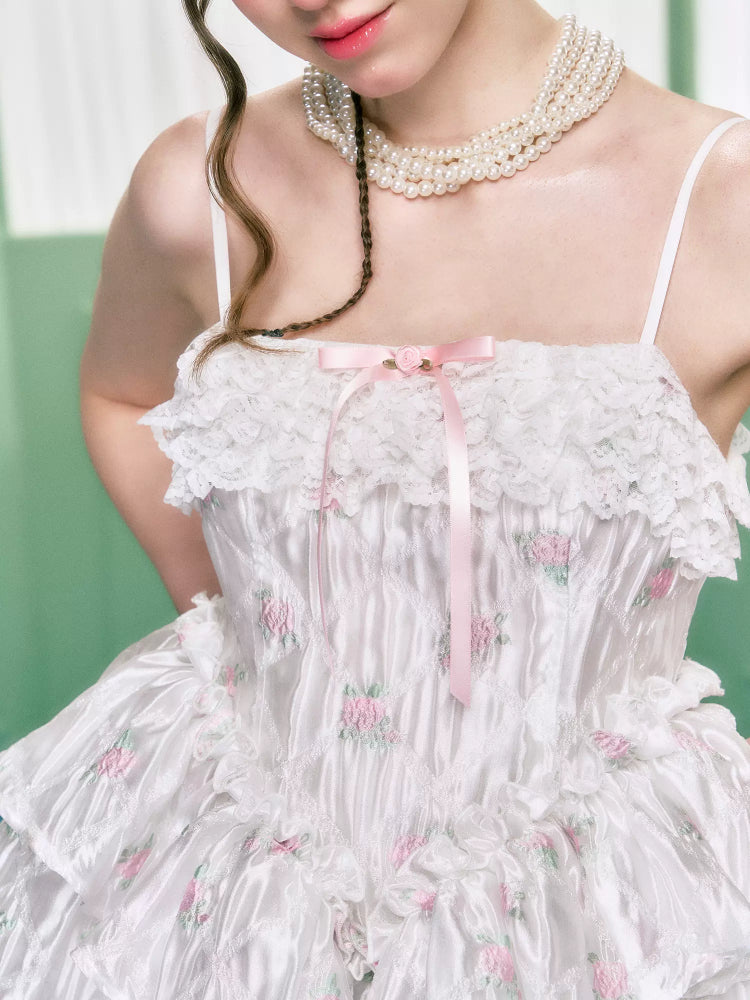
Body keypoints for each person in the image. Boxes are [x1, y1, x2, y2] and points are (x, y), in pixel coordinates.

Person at [2, 0, 750, 997]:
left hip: (597, 912)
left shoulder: (725, 202)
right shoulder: (200, 189)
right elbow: (124, 391)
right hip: (230, 887)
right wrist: (251, 619)